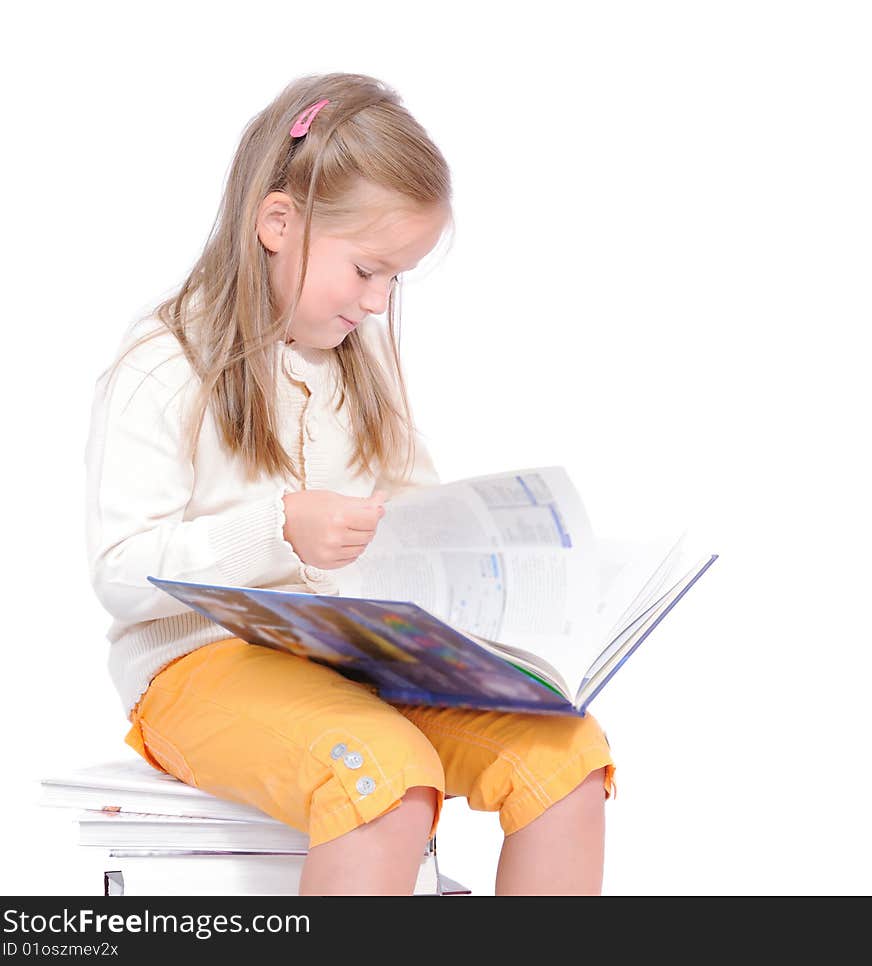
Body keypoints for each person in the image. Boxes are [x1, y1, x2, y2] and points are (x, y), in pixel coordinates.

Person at [85, 72, 615, 896]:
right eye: (367, 270)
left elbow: (415, 514)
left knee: (567, 752)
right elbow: (121, 573)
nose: (377, 302)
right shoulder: (167, 362)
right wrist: (277, 528)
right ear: (277, 224)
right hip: (197, 669)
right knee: (383, 775)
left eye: (395, 279)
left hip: (352, 664)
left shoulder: (359, 371)